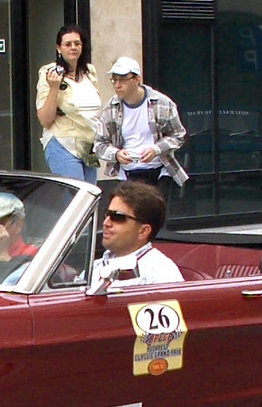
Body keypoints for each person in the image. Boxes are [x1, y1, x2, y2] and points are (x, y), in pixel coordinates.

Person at [94, 58, 189, 200]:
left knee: (155, 216)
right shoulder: (111, 109)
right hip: (129, 172)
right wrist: (117, 154)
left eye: (123, 80)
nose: (118, 85)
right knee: (132, 217)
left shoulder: (162, 103)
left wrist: (156, 149)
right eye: (114, 80)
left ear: (137, 79)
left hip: (160, 169)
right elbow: (99, 144)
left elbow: (179, 135)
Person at [36, 25, 100, 183]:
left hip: (89, 146)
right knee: (75, 200)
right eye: (68, 44)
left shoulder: (89, 72)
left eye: (77, 43)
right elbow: (45, 119)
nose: (73, 48)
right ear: (59, 48)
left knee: (89, 200)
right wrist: (54, 88)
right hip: (63, 143)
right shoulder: (49, 72)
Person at [92, 182, 183, 287]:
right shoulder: (96, 265)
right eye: (107, 214)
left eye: (118, 217)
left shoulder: (161, 274)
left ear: (144, 231)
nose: (106, 223)